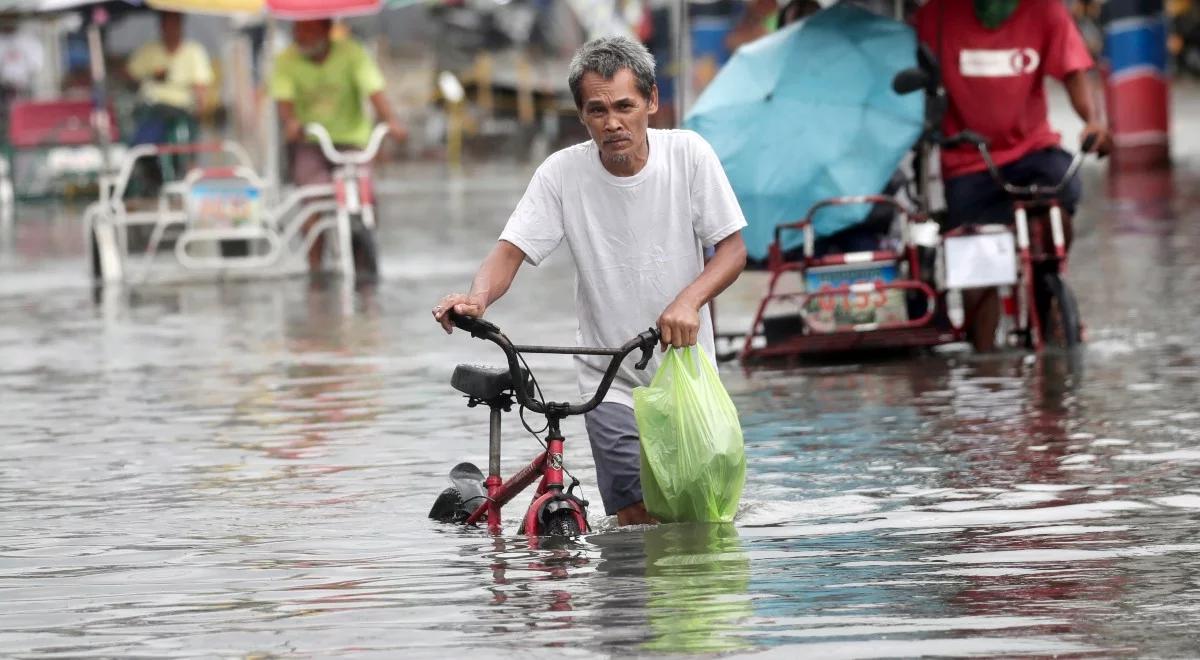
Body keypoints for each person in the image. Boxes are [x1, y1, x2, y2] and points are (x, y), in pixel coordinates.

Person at [432, 36, 748, 527]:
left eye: (625, 106)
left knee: (702, 516)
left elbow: (732, 251)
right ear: (582, 116)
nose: (613, 122)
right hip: (610, 377)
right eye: (597, 110)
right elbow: (510, 251)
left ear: (652, 102)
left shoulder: (689, 155)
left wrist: (689, 302)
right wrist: (477, 299)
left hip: (688, 371)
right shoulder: (562, 173)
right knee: (637, 518)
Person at [915, 0, 1111, 352]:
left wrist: (1093, 122)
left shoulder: (1045, 10)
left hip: (1033, 149)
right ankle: (985, 365)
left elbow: (1073, 71)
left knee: (1062, 194)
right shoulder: (936, 16)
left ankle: (1049, 292)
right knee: (978, 273)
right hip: (968, 158)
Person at [270, 19, 408, 273]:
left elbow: (374, 90)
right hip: (311, 140)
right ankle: (314, 267)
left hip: (353, 139)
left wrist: (392, 122)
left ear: (325, 29)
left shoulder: (352, 52)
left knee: (367, 196)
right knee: (312, 203)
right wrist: (290, 123)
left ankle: (364, 246)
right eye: (297, 31)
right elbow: (284, 103)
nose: (300, 36)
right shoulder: (286, 60)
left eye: (307, 30)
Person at [126, 11, 213, 146]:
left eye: (174, 23)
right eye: (167, 24)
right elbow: (130, 75)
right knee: (143, 139)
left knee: (185, 143)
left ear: (181, 25)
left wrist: (200, 114)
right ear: (161, 26)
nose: (170, 28)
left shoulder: (194, 52)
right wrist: (150, 77)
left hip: (183, 111)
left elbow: (201, 87)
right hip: (153, 109)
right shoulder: (149, 50)